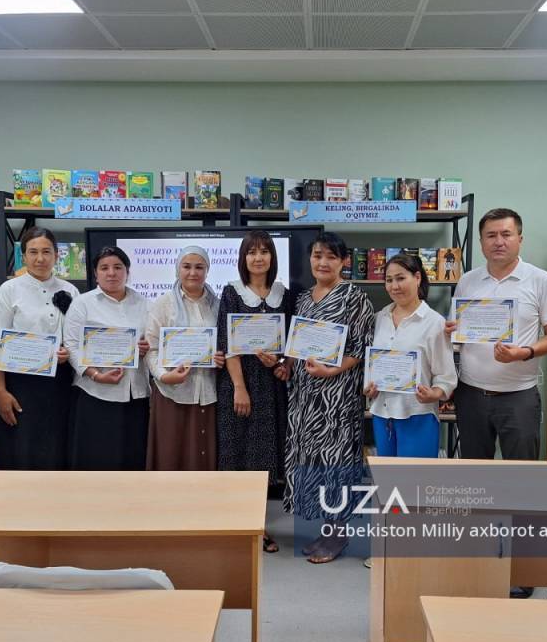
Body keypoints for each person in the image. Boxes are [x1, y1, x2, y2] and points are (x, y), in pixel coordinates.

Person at [284, 231, 375, 564]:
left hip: (337, 396)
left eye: (331, 257)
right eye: (317, 255)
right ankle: (326, 530)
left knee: (335, 461)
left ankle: (339, 533)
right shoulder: (304, 298)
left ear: (344, 261)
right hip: (305, 396)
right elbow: (298, 343)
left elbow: (362, 348)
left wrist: (332, 371)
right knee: (312, 461)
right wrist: (286, 365)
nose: (323, 262)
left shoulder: (354, 298)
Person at [447, 208, 547, 462]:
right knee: (474, 470)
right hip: (471, 394)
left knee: (520, 472)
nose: (498, 242)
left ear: (520, 239)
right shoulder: (467, 280)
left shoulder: (540, 280)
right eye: (491, 235)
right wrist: (449, 332)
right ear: (481, 242)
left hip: (518, 396)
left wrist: (526, 352)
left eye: (506, 234)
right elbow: (456, 334)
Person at [216, 230, 292, 553]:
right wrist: (239, 387)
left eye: (264, 251)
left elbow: (291, 343)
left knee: (263, 459)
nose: (258, 258)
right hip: (240, 385)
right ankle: (236, 526)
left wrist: (282, 362)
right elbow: (227, 344)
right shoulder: (231, 292)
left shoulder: (284, 294)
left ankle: (258, 527)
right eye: (251, 252)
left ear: (272, 257)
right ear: (243, 258)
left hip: (272, 388)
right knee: (237, 454)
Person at [0, 227, 78, 470]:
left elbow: (76, 338)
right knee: (20, 450)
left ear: (56, 254)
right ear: (23, 256)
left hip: (60, 384)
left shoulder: (71, 291)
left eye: (46, 252)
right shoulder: (9, 290)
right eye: (33, 252)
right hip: (20, 384)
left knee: (57, 448)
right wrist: (0, 392)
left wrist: (68, 352)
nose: (40, 258)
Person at [63, 246, 150, 470]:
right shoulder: (82, 303)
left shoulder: (144, 303)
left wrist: (146, 347)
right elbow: (71, 345)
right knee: (96, 459)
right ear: (96, 273)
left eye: (118, 267)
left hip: (135, 393)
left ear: (128, 272)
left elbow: (152, 340)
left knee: (133, 459)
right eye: (104, 268)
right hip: (95, 393)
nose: (111, 273)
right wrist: (94, 375)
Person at [366, 253, 456, 457]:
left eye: (400, 278)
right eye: (389, 280)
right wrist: (369, 387)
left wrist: (435, 393)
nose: (394, 286)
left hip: (418, 414)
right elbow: (372, 365)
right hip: (382, 414)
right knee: (388, 477)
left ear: (417, 278)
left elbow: (446, 375)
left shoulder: (435, 323)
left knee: (415, 477)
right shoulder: (378, 319)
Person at [146, 246, 225, 470]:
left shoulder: (218, 305)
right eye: (186, 266)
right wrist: (164, 376)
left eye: (199, 267)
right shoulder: (163, 304)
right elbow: (151, 349)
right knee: (172, 455)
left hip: (208, 392)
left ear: (207, 270)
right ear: (177, 269)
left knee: (204, 457)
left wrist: (220, 358)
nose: (193, 272)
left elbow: (224, 344)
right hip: (172, 392)